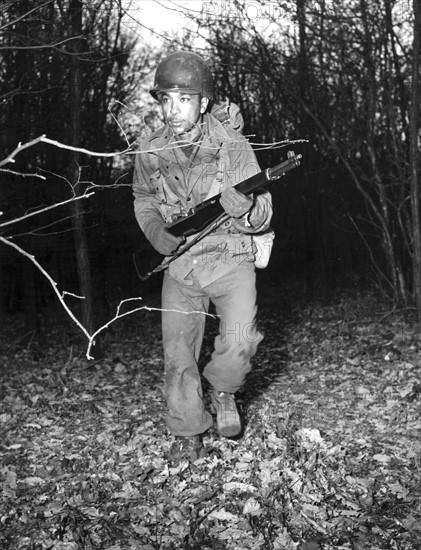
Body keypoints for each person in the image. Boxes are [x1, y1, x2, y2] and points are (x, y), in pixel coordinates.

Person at [133, 51, 273, 462]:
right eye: (166, 100)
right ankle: (187, 429)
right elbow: (143, 197)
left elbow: (264, 209)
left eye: (184, 99)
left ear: (204, 102)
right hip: (180, 264)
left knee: (240, 341)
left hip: (230, 258)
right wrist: (155, 230)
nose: (173, 110)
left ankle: (225, 391)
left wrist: (245, 208)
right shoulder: (150, 148)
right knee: (177, 354)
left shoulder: (233, 146)